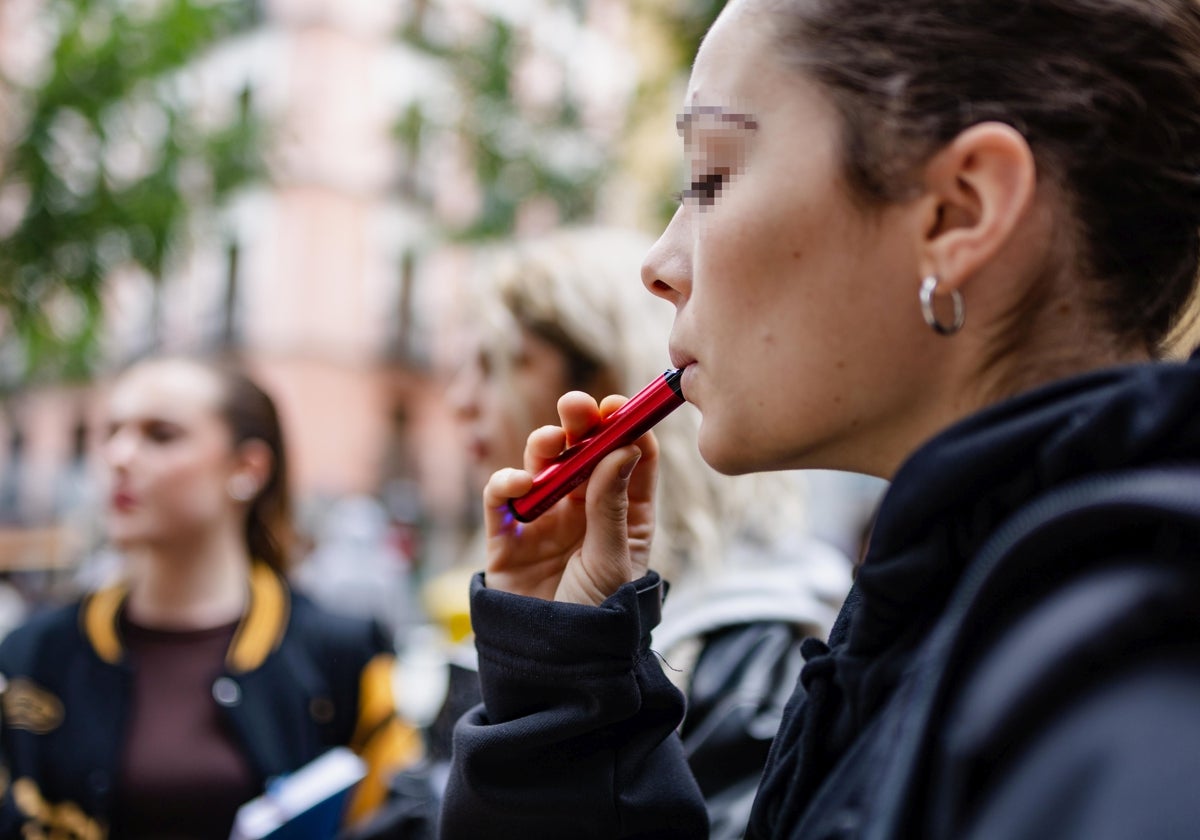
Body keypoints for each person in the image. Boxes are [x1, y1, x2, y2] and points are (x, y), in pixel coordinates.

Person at [439, 0, 1200, 837]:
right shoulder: (926, 625)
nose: (658, 265)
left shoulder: (1130, 709)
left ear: (959, 212)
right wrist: (564, 698)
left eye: (710, 179)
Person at [394, 227, 851, 838]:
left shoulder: (752, 650)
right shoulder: (516, 600)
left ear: (606, 382)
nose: (459, 401)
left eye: (499, 363)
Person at [0, 355, 422, 839]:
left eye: (161, 434)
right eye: (111, 431)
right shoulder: (34, 653)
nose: (119, 456)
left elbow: (398, 820)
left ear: (247, 467)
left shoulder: (341, 656)